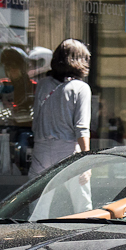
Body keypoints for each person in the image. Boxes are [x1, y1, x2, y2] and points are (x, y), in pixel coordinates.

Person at [29, 38, 92, 179]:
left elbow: (36, 121)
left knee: (39, 200)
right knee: (80, 200)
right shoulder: (81, 88)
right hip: (67, 152)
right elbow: (82, 129)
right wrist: (86, 161)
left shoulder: (43, 85)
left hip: (41, 151)